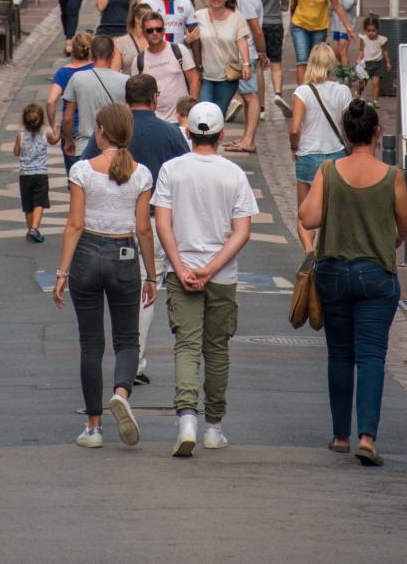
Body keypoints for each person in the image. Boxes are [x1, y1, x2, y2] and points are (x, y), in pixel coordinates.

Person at [299, 100, 407, 466]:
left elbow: (308, 217)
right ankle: (367, 436)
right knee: (370, 356)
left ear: (346, 135)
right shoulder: (392, 174)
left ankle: (339, 435)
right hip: (377, 274)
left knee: (339, 354)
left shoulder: (329, 170)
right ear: (377, 133)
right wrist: (390, 238)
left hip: (333, 271)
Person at [154, 100, 256, 456]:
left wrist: (180, 266)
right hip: (222, 274)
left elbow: (162, 222)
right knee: (217, 349)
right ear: (221, 134)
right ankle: (213, 426)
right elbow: (242, 231)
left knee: (186, 346)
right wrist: (212, 268)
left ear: (188, 132)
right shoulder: (234, 174)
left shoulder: (171, 170)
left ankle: (186, 420)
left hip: (181, 271)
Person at [53, 103, 156, 449]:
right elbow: (143, 229)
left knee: (90, 343)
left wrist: (62, 273)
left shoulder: (82, 170)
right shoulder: (141, 174)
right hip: (125, 256)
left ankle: (93, 427)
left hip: (86, 256)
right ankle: (122, 393)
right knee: (127, 339)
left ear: (100, 131)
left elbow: (75, 224)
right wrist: (152, 276)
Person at [80, 75, 189, 386]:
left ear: (126, 98)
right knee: (143, 289)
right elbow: (183, 174)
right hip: (153, 221)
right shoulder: (170, 133)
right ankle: (134, 360)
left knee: (105, 291)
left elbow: (87, 166)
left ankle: (114, 353)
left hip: (110, 220)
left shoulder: (111, 129)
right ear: (154, 99)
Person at [290, 44, 352, 250]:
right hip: (336, 155)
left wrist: (294, 148)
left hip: (308, 154)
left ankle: (308, 249)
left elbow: (295, 129)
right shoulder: (343, 91)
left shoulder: (302, 92)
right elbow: (348, 126)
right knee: (333, 210)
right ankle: (329, 251)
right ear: (331, 65)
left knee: (305, 213)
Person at [290, 0, 355, 86]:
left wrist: (348, 27)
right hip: (300, 25)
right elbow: (293, 2)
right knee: (302, 60)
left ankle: (314, 91)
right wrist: (292, 20)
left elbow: (338, 7)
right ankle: (301, 93)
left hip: (319, 28)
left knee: (316, 61)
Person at [62, 35, 128, 160]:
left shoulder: (77, 78)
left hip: (85, 145)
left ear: (91, 54)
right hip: (116, 146)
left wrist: (69, 140)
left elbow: (67, 117)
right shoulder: (125, 81)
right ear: (112, 55)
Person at [224, 0, 267, 152]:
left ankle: (248, 140)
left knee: (250, 97)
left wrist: (262, 52)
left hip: (246, 54)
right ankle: (245, 138)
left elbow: (256, 29)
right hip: (246, 54)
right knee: (247, 97)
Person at [127, 12, 199, 121]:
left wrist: (191, 111)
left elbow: (194, 80)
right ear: (144, 33)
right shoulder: (138, 61)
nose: (155, 33)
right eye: (150, 30)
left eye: (158, 29)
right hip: (153, 121)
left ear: (164, 31)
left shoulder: (179, 50)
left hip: (181, 119)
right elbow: (135, 93)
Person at [194, 0, 252, 114]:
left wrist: (246, 64)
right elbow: (191, 40)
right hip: (206, 75)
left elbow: (241, 40)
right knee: (204, 111)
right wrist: (188, 40)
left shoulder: (236, 17)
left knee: (218, 114)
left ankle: (216, 135)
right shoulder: (199, 15)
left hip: (227, 76)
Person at [247, 0, 292, 116]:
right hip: (275, 23)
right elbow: (285, 5)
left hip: (257, 24)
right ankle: (278, 93)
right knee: (276, 63)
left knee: (258, 65)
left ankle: (262, 108)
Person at [46, 32, 94, 176]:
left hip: (71, 129)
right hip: (94, 125)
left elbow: (50, 101)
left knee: (75, 178)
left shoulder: (63, 73)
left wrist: (53, 125)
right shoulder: (96, 69)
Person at [14, 101, 60, 243]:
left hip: (25, 175)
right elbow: (54, 141)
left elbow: (16, 152)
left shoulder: (20, 135)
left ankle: (30, 230)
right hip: (40, 173)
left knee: (28, 205)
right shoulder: (45, 133)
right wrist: (57, 131)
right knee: (39, 202)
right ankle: (34, 229)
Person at [356, 14, 391, 104]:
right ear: (365, 30)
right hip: (366, 64)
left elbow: (385, 51)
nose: (371, 33)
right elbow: (361, 50)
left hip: (377, 64)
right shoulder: (363, 39)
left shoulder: (381, 40)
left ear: (377, 30)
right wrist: (359, 58)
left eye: (373, 30)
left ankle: (375, 101)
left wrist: (388, 62)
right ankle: (357, 95)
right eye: (368, 31)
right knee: (363, 82)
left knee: (375, 83)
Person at [113, 3, 155, 74]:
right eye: (148, 17)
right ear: (137, 19)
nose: (152, 21)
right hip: (130, 83)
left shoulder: (155, 39)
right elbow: (114, 72)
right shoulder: (120, 43)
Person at [331, 0, 358, 67]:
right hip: (336, 25)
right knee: (336, 53)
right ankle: (348, 72)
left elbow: (347, 6)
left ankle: (346, 77)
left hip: (346, 27)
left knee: (343, 52)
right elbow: (331, 7)